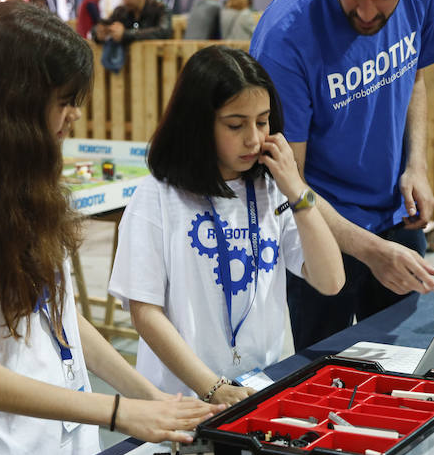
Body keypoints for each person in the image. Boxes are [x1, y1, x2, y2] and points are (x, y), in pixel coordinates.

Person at [0, 1, 223, 455]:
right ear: (12, 102)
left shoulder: (21, 179)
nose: (74, 114)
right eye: (63, 101)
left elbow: (63, 320)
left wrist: (151, 400)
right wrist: (118, 412)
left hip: (62, 450)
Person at [250, 0, 434, 352]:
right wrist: (370, 250)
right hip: (321, 235)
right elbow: (288, 182)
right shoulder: (286, 37)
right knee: (325, 385)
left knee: (407, 370)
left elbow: (415, 77)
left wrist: (417, 165)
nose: (367, 10)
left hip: (398, 218)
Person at [108, 46, 344, 404]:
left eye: (262, 122)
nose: (253, 138)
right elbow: (145, 312)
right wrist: (213, 388)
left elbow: (330, 281)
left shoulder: (272, 190)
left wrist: (297, 190)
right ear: (199, 125)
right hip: (180, 400)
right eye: (236, 125)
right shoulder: (157, 196)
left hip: (256, 389)